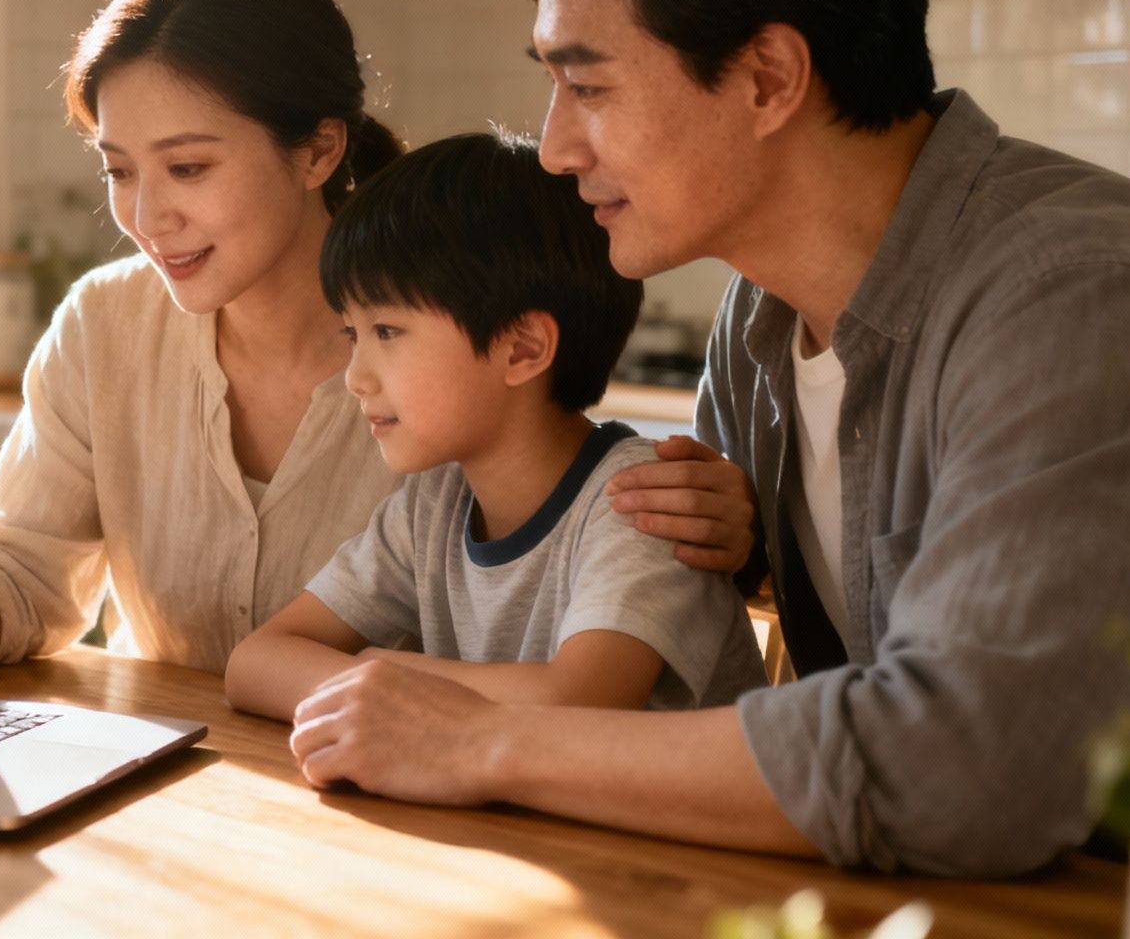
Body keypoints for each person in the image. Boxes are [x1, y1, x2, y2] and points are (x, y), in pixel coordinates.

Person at [282, 0, 1130, 877]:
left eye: (584, 85)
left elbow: (968, 768)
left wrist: (485, 742)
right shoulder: (764, 313)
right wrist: (741, 554)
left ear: (766, 77)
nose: (554, 149)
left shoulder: (1082, 296)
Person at [0, 0, 762, 672]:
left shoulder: (443, 343)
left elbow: (558, 507)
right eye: (119, 171)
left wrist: (729, 526)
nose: (148, 218)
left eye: (188, 167)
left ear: (318, 151)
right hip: (191, 799)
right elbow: (22, 583)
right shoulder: (105, 326)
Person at [223, 133, 767, 722]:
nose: (356, 377)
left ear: (522, 348)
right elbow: (254, 664)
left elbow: (576, 704)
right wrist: (387, 678)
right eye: (352, 334)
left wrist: (376, 672)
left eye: (386, 331)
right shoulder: (433, 507)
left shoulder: (638, 501)